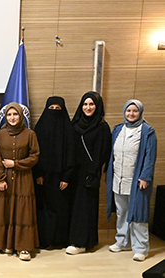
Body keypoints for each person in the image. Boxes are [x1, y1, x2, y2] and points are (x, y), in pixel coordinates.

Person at [106, 99, 157, 262]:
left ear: (140, 112)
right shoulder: (118, 129)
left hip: (138, 181)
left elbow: (150, 157)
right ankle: (123, 242)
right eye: (129, 110)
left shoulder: (148, 131)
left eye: (135, 111)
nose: (131, 114)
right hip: (118, 180)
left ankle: (141, 248)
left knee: (138, 214)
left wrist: (145, 176)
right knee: (122, 212)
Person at [0, 102, 40, 261]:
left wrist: (16, 164)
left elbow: (35, 156)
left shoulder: (30, 134)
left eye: (15, 114)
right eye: (9, 115)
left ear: (21, 116)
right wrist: (0, 179)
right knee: (5, 209)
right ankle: (7, 244)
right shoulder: (0, 134)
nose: (12, 118)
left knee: (23, 211)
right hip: (5, 178)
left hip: (24, 178)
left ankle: (23, 247)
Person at [65, 91, 111, 255]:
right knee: (73, 206)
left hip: (89, 173)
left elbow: (103, 152)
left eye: (91, 104)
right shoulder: (75, 124)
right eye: (85, 104)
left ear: (97, 106)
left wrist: (93, 171)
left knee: (85, 208)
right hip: (73, 172)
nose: (88, 107)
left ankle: (82, 243)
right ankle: (73, 238)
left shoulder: (102, 127)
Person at [31, 97, 75, 250]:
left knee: (61, 209)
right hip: (43, 179)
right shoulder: (39, 129)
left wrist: (66, 177)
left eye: (58, 109)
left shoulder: (69, 130)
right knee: (43, 209)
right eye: (51, 109)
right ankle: (44, 239)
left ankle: (59, 240)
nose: (54, 112)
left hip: (61, 180)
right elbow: (34, 154)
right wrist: (38, 174)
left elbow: (72, 156)